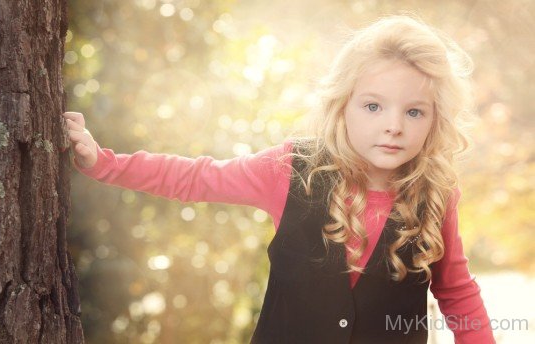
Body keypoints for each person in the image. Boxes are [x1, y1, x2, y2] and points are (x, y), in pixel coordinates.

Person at [63, 14, 495, 344]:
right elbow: (195, 178)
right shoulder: (292, 169)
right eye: (373, 106)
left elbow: (457, 294)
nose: (394, 126)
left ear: (435, 119)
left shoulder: (437, 195)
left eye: (414, 111)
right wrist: (103, 162)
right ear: (342, 105)